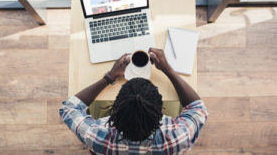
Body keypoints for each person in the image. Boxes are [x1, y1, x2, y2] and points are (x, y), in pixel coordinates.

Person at [59, 48, 208, 154]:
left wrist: (109, 77)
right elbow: (198, 109)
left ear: (115, 109)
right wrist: (168, 69)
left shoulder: (96, 138)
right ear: (160, 111)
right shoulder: (179, 137)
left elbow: (69, 108)